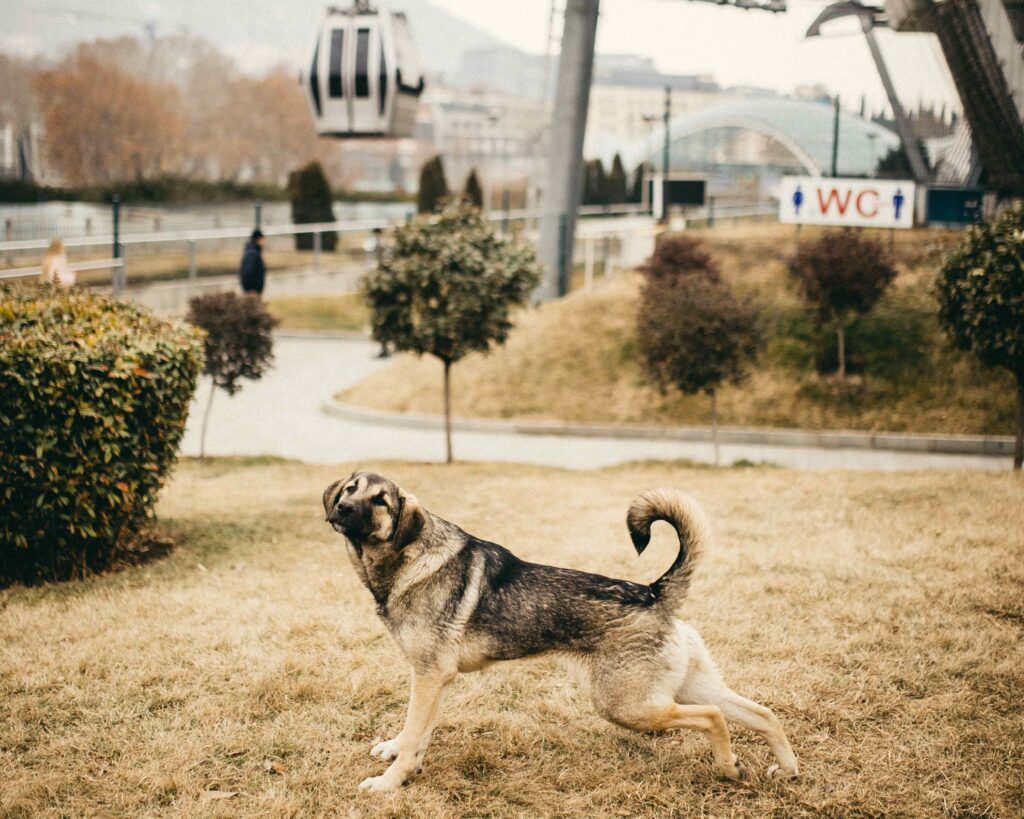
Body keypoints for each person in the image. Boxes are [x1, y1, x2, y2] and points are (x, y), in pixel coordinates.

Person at [239, 229, 266, 297]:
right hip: (252, 292)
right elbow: (247, 273)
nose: (264, 242)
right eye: (263, 239)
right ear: (258, 239)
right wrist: (251, 290)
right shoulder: (252, 253)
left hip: (254, 292)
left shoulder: (254, 252)